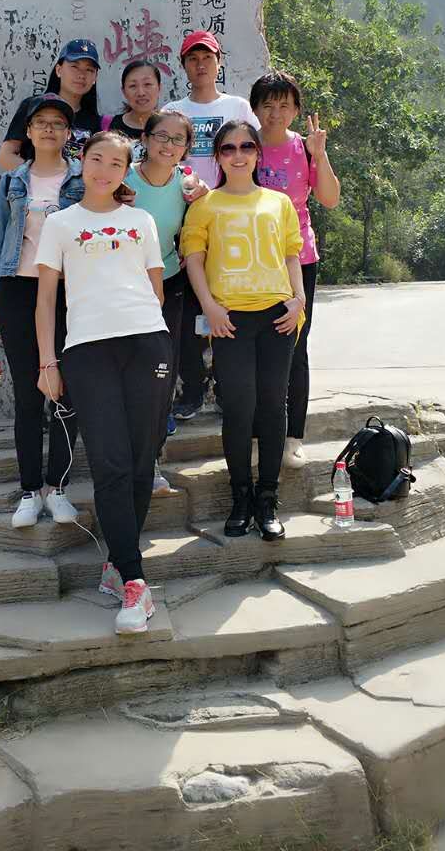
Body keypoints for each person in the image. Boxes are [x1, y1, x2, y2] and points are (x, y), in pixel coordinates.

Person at [35, 131, 173, 636]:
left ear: (126, 170)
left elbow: (156, 289)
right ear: (82, 160)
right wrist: (48, 362)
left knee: (140, 462)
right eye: (97, 159)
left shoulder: (141, 221)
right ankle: (136, 582)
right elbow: (45, 300)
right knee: (110, 463)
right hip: (87, 351)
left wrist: (141, 328)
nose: (105, 170)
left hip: (147, 343)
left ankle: (119, 565)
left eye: (116, 163)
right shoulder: (60, 223)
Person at [180, 121, 305, 541]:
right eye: (229, 148)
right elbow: (194, 259)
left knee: (272, 406)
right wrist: (210, 307)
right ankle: (241, 498)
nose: (238, 154)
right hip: (229, 319)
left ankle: (268, 499)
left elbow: (291, 255)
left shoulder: (278, 202)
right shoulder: (205, 205)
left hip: (277, 317)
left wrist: (299, 299)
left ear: (257, 153)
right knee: (238, 408)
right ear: (218, 156)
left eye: (247, 146)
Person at [0, 95, 83, 529]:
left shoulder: (82, 178)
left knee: (66, 391)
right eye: (41, 123)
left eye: (58, 123)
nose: (49, 129)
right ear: (30, 132)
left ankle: (58, 488)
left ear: (68, 133)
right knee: (27, 393)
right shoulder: (13, 181)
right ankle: (29, 490)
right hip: (17, 290)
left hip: (69, 292)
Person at [162, 30, 259, 420]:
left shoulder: (237, 106)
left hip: (229, 218)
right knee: (187, 312)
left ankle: (225, 384)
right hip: (181, 220)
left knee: (229, 304)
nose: (200, 64)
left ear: (219, 62)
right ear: (183, 65)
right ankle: (192, 387)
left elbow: (255, 156)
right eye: (192, 58)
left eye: (207, 57)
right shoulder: (173, 110)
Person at [251, 71, 341, 468]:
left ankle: (293, 437)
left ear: (296, 110)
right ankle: (259, 434)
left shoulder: (304, 148)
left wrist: (319, 155)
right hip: (251, 260)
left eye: (284, 105)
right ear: (255, 109)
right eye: (267, 105)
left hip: (298, 257)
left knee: (296, 346)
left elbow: (330, 199)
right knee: (256, 346)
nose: (275, 113)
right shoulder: (244, 144)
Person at [123, 110, 198, 491]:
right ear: (145, 139)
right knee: (125, 374)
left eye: (177, 139)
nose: (168, 145)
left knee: (161, 376)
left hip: (168, 286)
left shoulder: (187, 186)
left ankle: (151, 460)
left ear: (186, 148)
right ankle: (122, 459)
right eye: (161, 136)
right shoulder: (123, 178)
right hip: (122, 290)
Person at [0, 39, 101, 172]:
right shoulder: (33, 106)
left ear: (95, 77)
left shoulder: (95, 121)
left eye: (89, 70)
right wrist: (40, 177)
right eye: (74, 66)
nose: (81, 75)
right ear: (59, 70)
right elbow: (6, 156)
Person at [101, 59, 164, 161]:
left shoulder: (169, 127)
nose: (141, 93)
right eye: (133, 86)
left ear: (159, 87)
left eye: (147, 84)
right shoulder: (108, 126)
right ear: (124, 91)